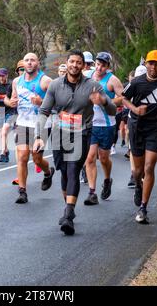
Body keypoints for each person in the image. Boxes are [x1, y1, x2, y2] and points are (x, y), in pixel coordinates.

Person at [34, 49, 115, 235]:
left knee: (73, 169)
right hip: (59, 133)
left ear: (83, 65)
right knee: (64, 172)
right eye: (72, 62)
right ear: (67, 62)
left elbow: (112, 110)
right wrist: (39, 136)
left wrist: (102, 101)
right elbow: (44, 111)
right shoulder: (55, 85)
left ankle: (69, 214)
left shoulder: (93, 85)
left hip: (82, 133)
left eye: (79, 62)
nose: (75, 65)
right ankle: (68, 207)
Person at [122, 50, 157, 224]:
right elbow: (123, 98)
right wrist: (135, 109)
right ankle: (138, 185)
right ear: (146, 64)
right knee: (138, 171)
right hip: (137, 127)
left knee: (149, 167)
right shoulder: (137, 82)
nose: (154, 66)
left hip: (155, 128)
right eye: (151, 63)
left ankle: (143, 208)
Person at [7, 52, 55, 204]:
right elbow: (12, 98)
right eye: (26, 60)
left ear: (37, 63)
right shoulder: (16, 81)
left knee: (37, 158)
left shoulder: (46, 81)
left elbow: (59, 102)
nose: (29, 63)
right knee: (22, 157)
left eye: (32, 60)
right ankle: (22, 192)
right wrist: (10, 103)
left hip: (41, 124)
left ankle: (48, 172)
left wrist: (42, 102)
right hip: (22, 123)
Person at [83, 52, 124, 205]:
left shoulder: (112, 80)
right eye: (98, 64)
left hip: (107, 125)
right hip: (91, 124)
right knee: (90, 158)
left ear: (108, 66)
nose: (99, 68)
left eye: (103, 65)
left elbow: (123, 98)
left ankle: (107, 180)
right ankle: (92, 192)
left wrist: (105, 101)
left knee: (104, 158)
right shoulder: (87, 75)